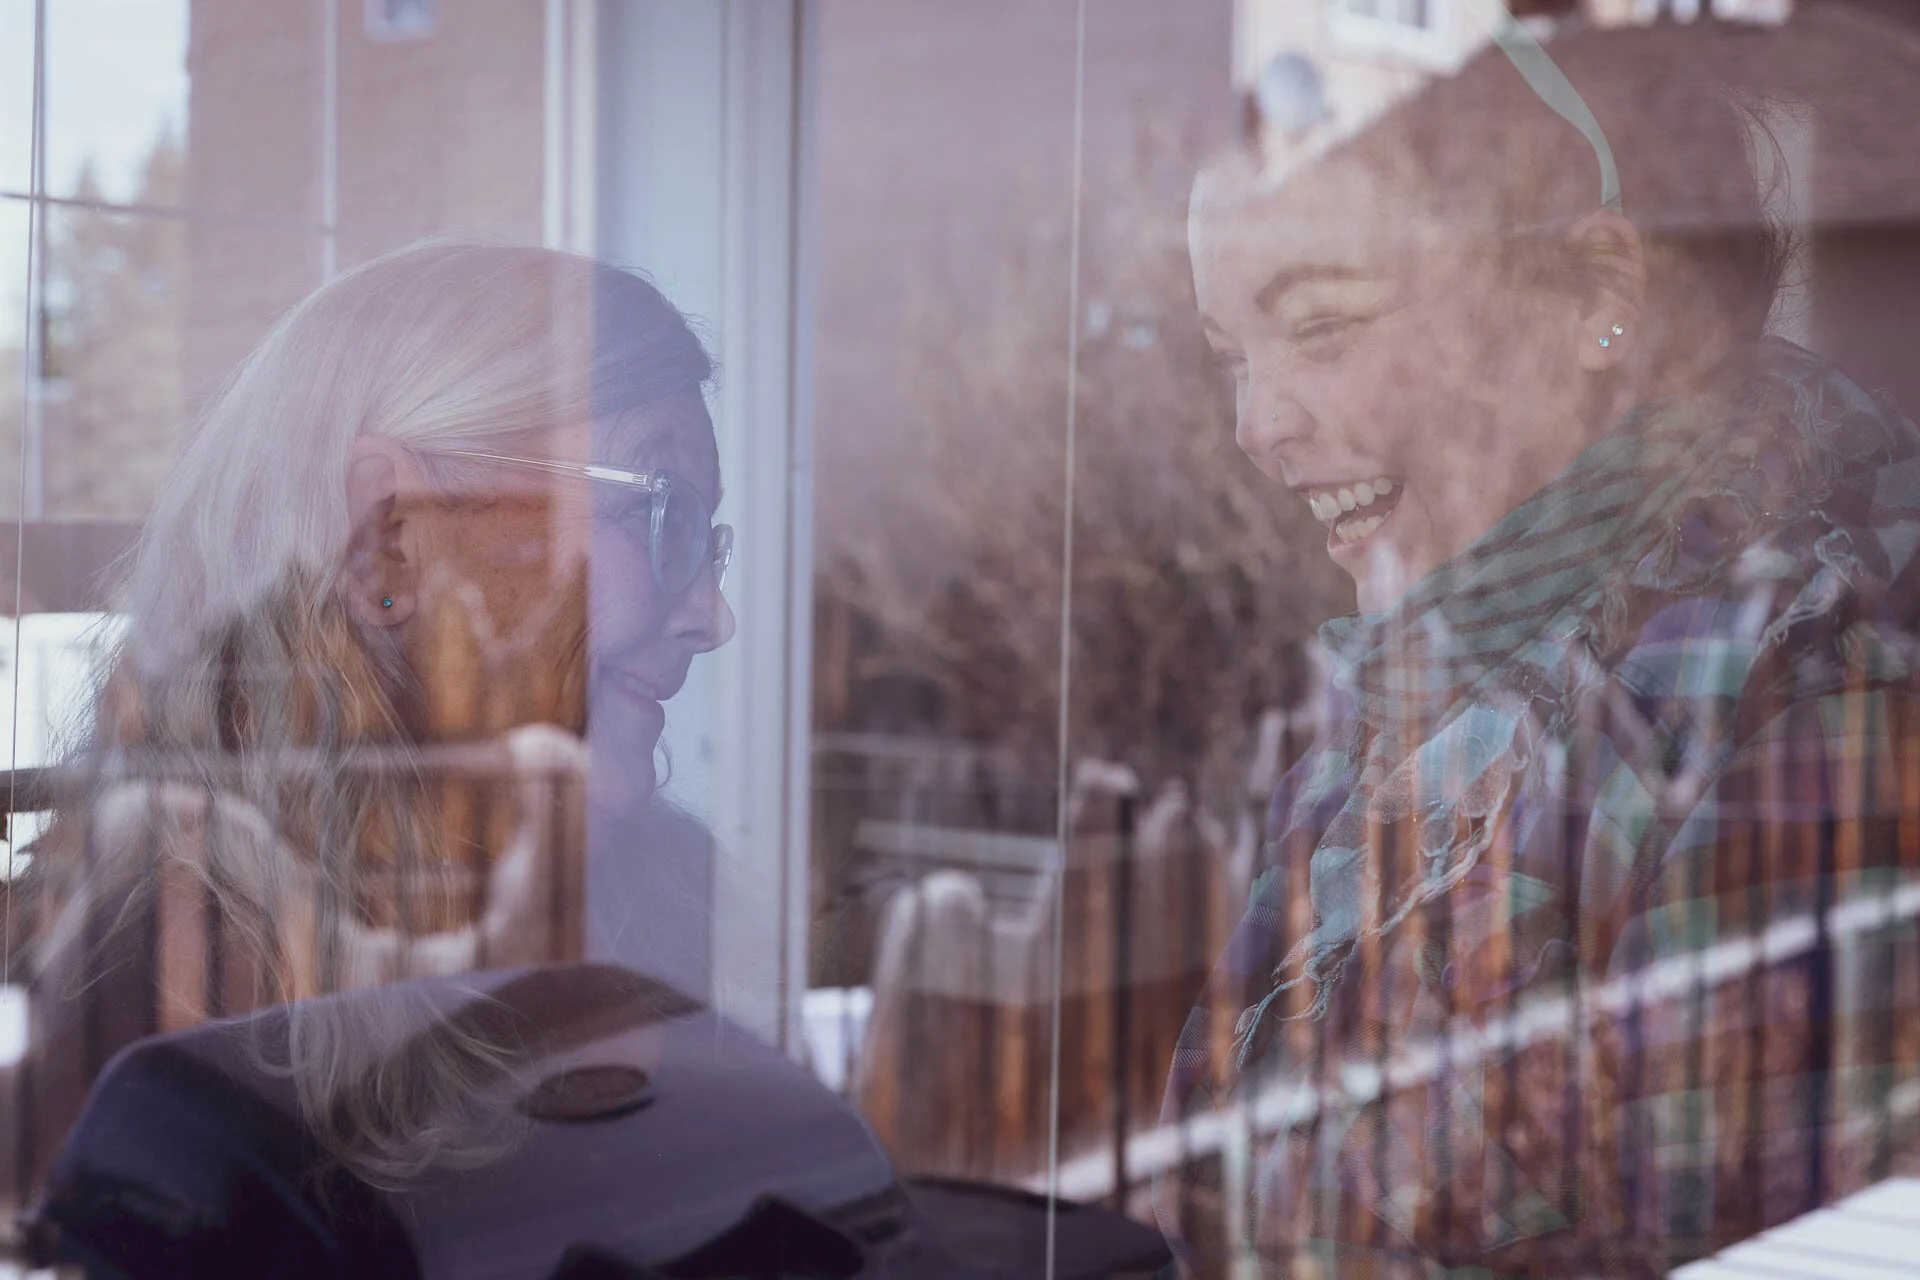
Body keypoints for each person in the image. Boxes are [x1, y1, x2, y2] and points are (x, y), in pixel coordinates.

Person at [1159, 24, 1920, 1280]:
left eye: (1324, 328)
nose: (1257, 424)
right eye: (1233, 356)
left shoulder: (1808, 718)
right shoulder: (1415, 692)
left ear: (1600, 298)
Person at [2, 242, 735, 1205]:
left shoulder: (661, 896)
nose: (714, 617)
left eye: (706, 538)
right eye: (663, 514)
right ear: (390, 528)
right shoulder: (133, 1006)